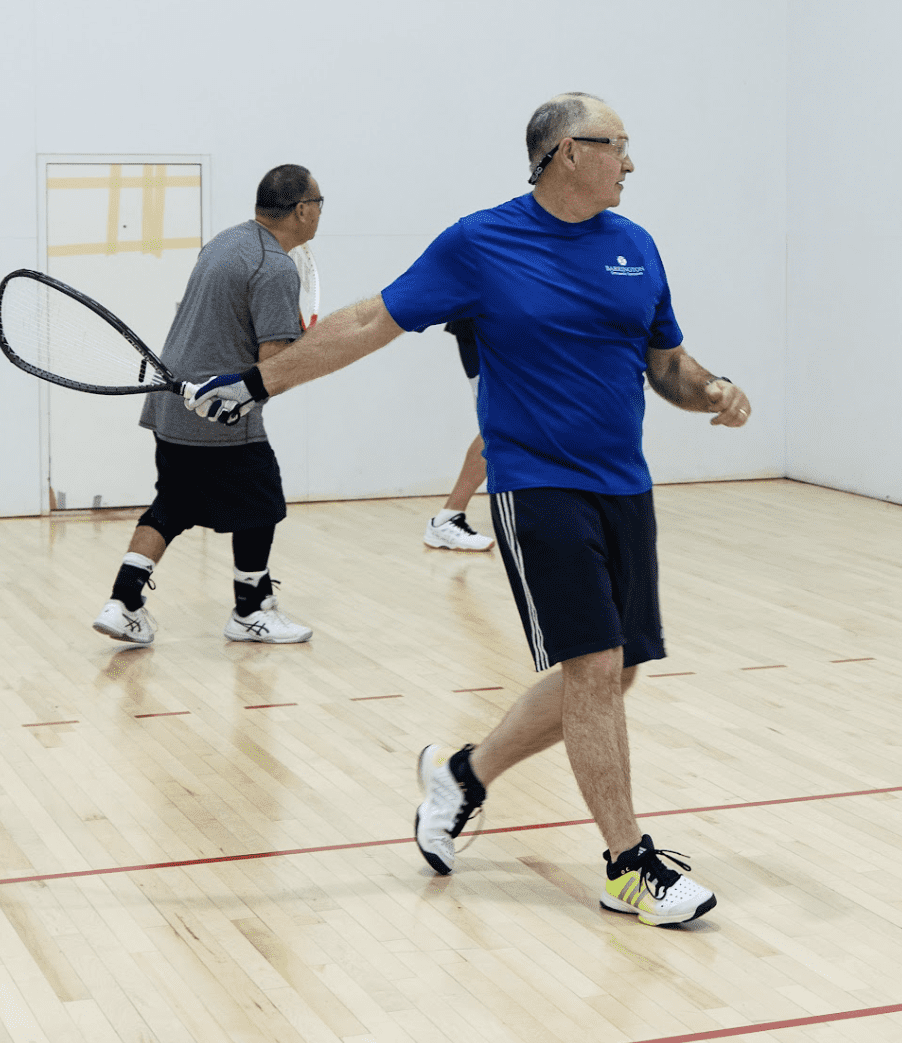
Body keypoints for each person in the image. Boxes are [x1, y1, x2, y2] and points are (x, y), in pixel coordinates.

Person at [186, 94, 750, 926]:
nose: (630, 162)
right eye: (617, 146)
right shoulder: (481, 242)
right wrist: (259, 381)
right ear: (564, 152)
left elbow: (664, 361)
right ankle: (629, 867)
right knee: (593, 669)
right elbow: (372, 319)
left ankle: (462, 777)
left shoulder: (636, 247)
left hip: (625, 488)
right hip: (535, 484)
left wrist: (711, 391)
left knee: (614, 673)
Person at [92, 165, 319, 646]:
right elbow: (273, 366)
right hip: (218, 412)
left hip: (170, 403)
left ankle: (123, 602)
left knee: (173, 503)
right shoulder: (275, 267)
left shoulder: (227, 241)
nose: (320, 212)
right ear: (301, 210)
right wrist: (312, 347)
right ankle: (250, 611)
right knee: (262, 503)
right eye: (319, 202)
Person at [422, 321, 494, 551]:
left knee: (505, 425)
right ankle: (446, 519)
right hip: (488, 333)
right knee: (498, 427)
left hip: (510, 331)